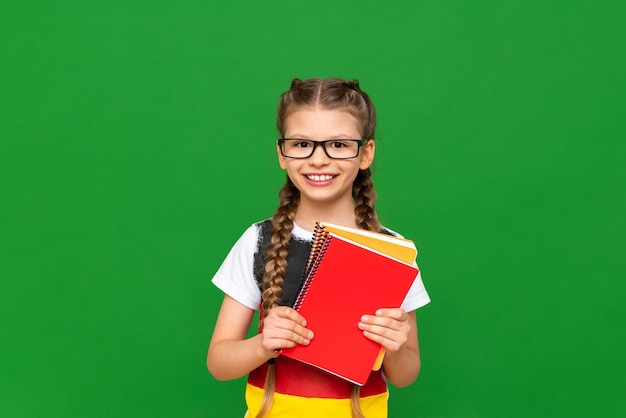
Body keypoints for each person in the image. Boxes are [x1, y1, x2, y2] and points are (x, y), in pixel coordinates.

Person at [207, 77, 430, 418]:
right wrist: (263, 343)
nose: (318, 159)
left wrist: (394, 346)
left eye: (338, 145)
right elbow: (219, 363)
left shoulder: (393, 250)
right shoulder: (258, 240)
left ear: (365, 153)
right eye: (302, 144)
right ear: (283, 154)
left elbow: (406, 374)